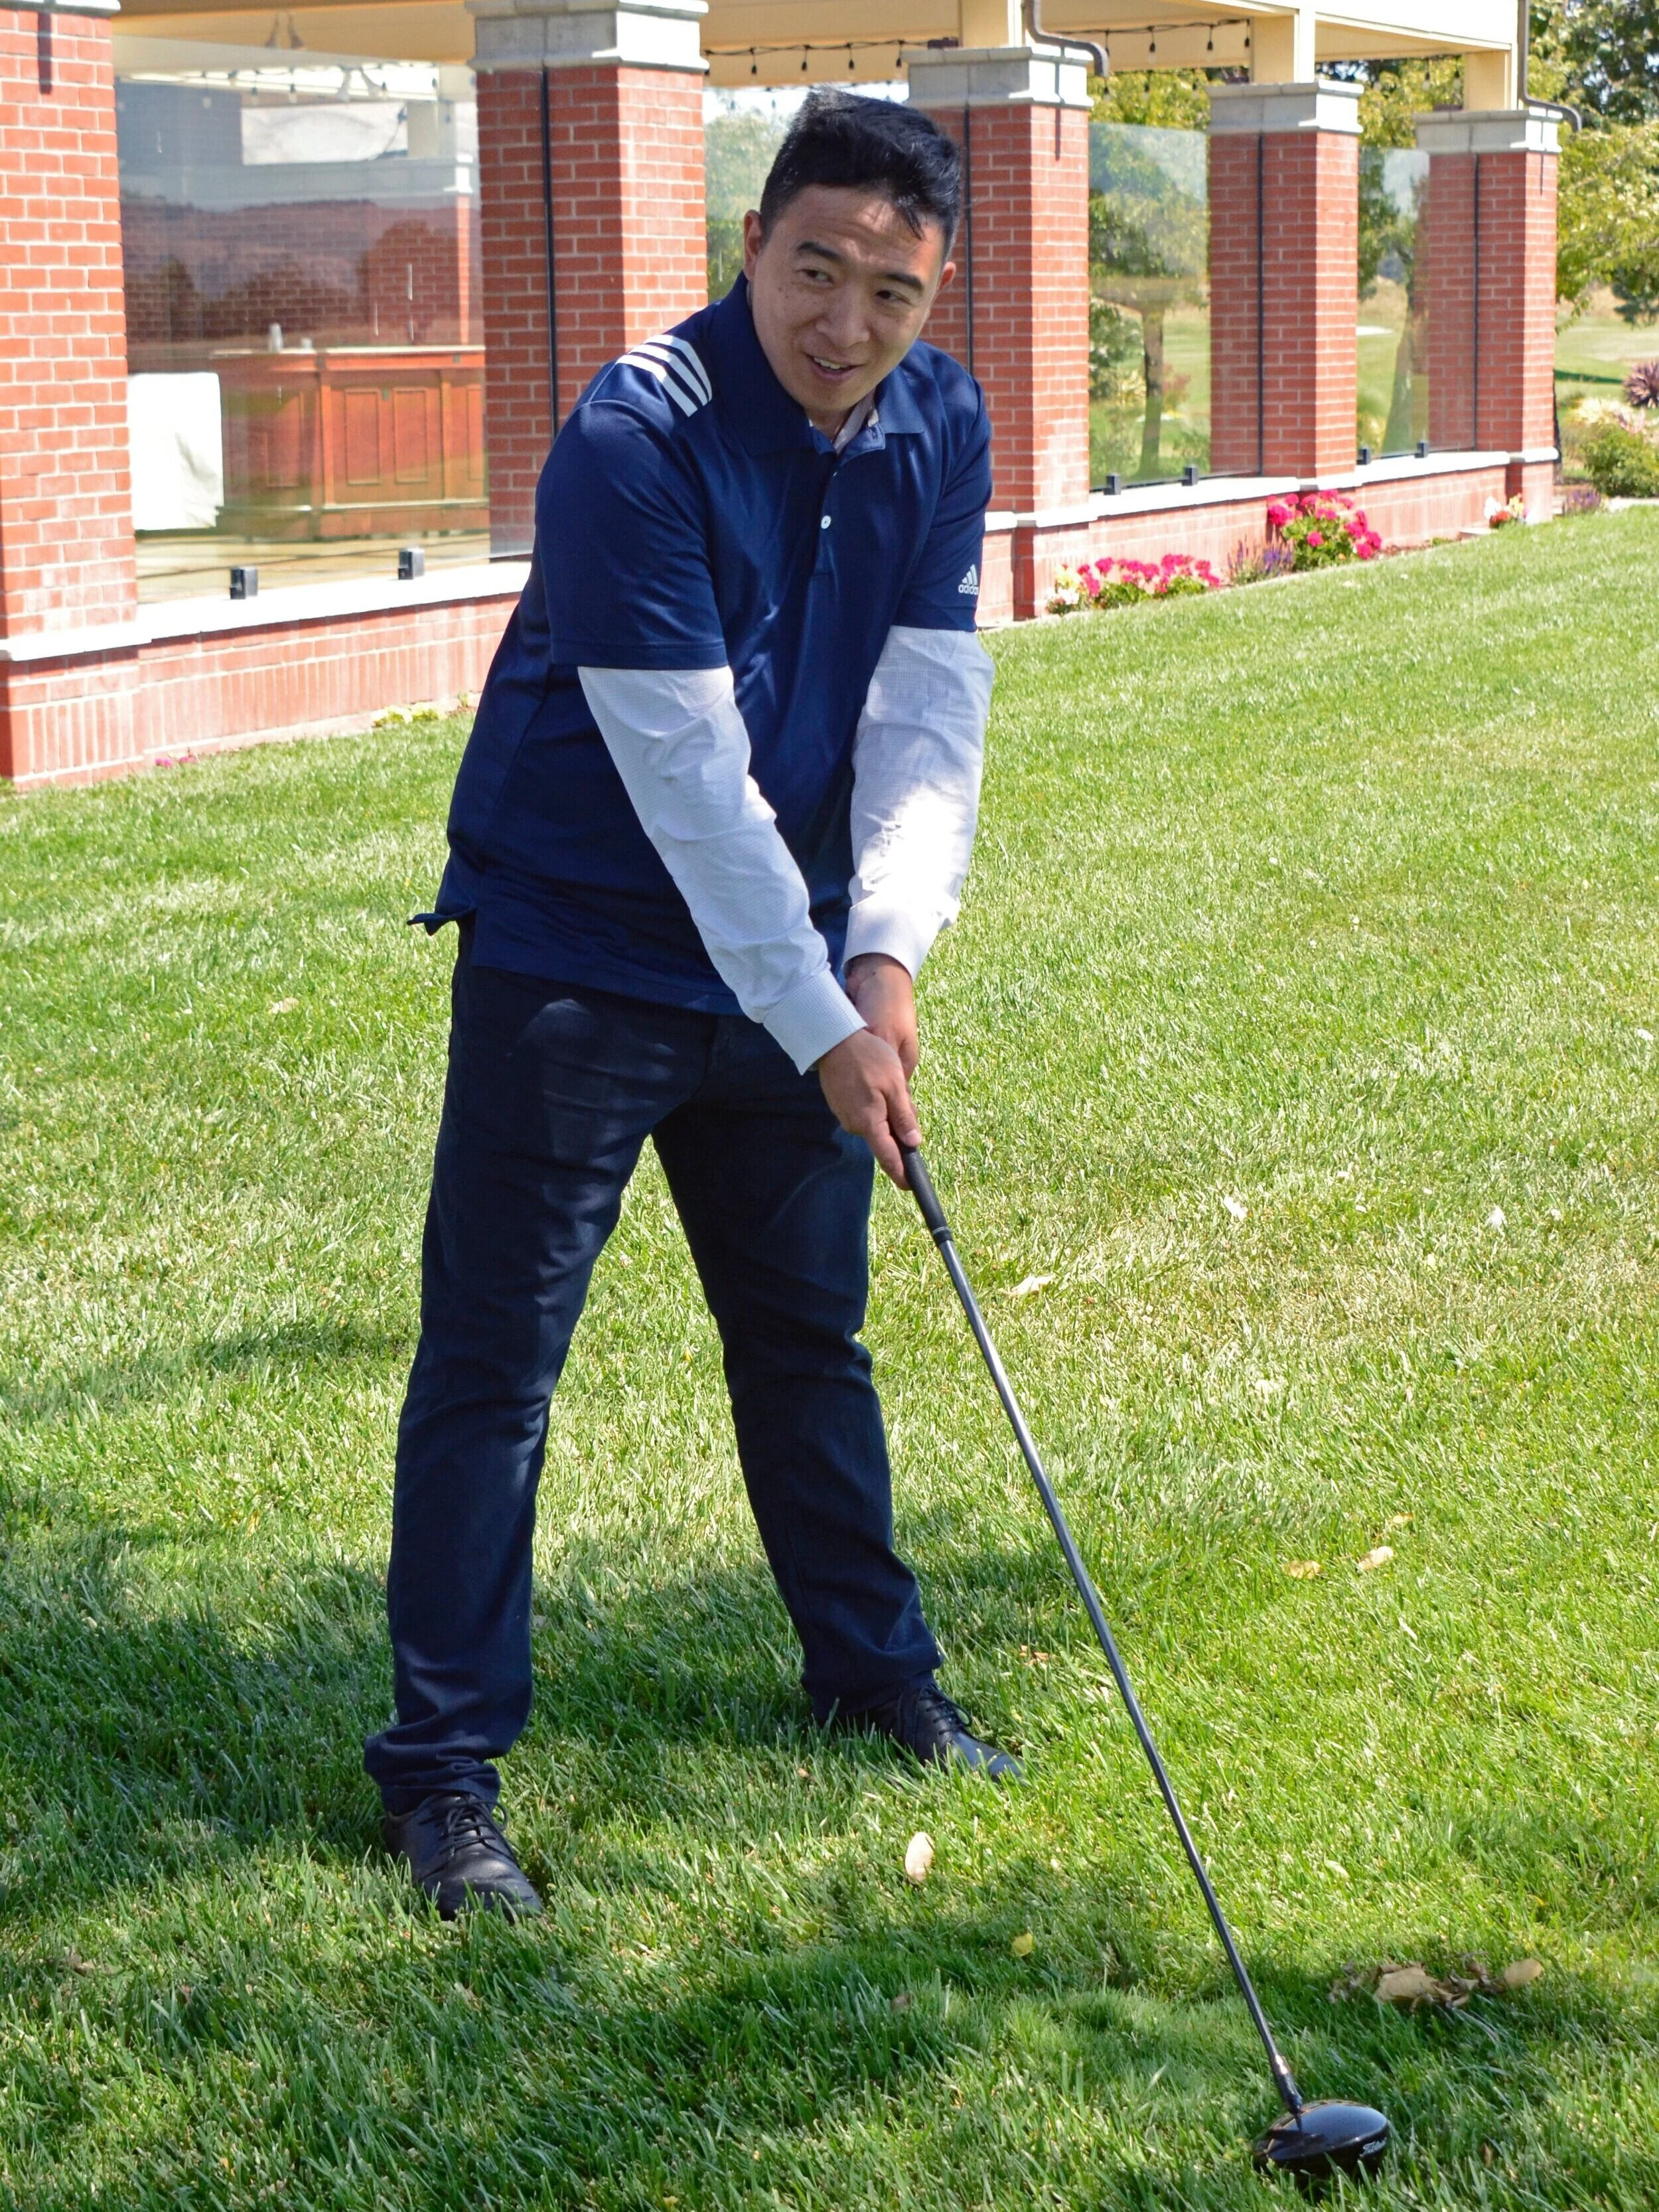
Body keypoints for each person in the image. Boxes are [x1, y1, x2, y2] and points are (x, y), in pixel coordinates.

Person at [364, 88, 1017, 1921]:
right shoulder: (631, 432)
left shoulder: (938, 421)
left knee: (809, 1340)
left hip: (793, 962)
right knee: (496, 1372)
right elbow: (685, 776)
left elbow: (922, 721)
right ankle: (442, 1773)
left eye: (894, 291)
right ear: (752, 245)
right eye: (816, 271)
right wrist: (827, 1024)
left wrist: (878, 968)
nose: (848, 323)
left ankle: (872, 1670)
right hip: (575, 954)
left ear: (931, 290)